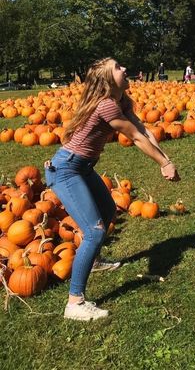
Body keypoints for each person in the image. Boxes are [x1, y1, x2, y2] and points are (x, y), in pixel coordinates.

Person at [44, 58, 180, 321]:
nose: (125, 69)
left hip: (82, 167)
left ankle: (91, 261)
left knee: (108, 211)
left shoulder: (122, 101)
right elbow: (136, 138)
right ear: (107, 80)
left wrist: (166, 160)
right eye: (118, 68)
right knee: (94, 231)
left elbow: (143, 131)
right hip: (66, 170)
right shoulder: (106, 105)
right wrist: (164, 163)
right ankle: (75, 303)